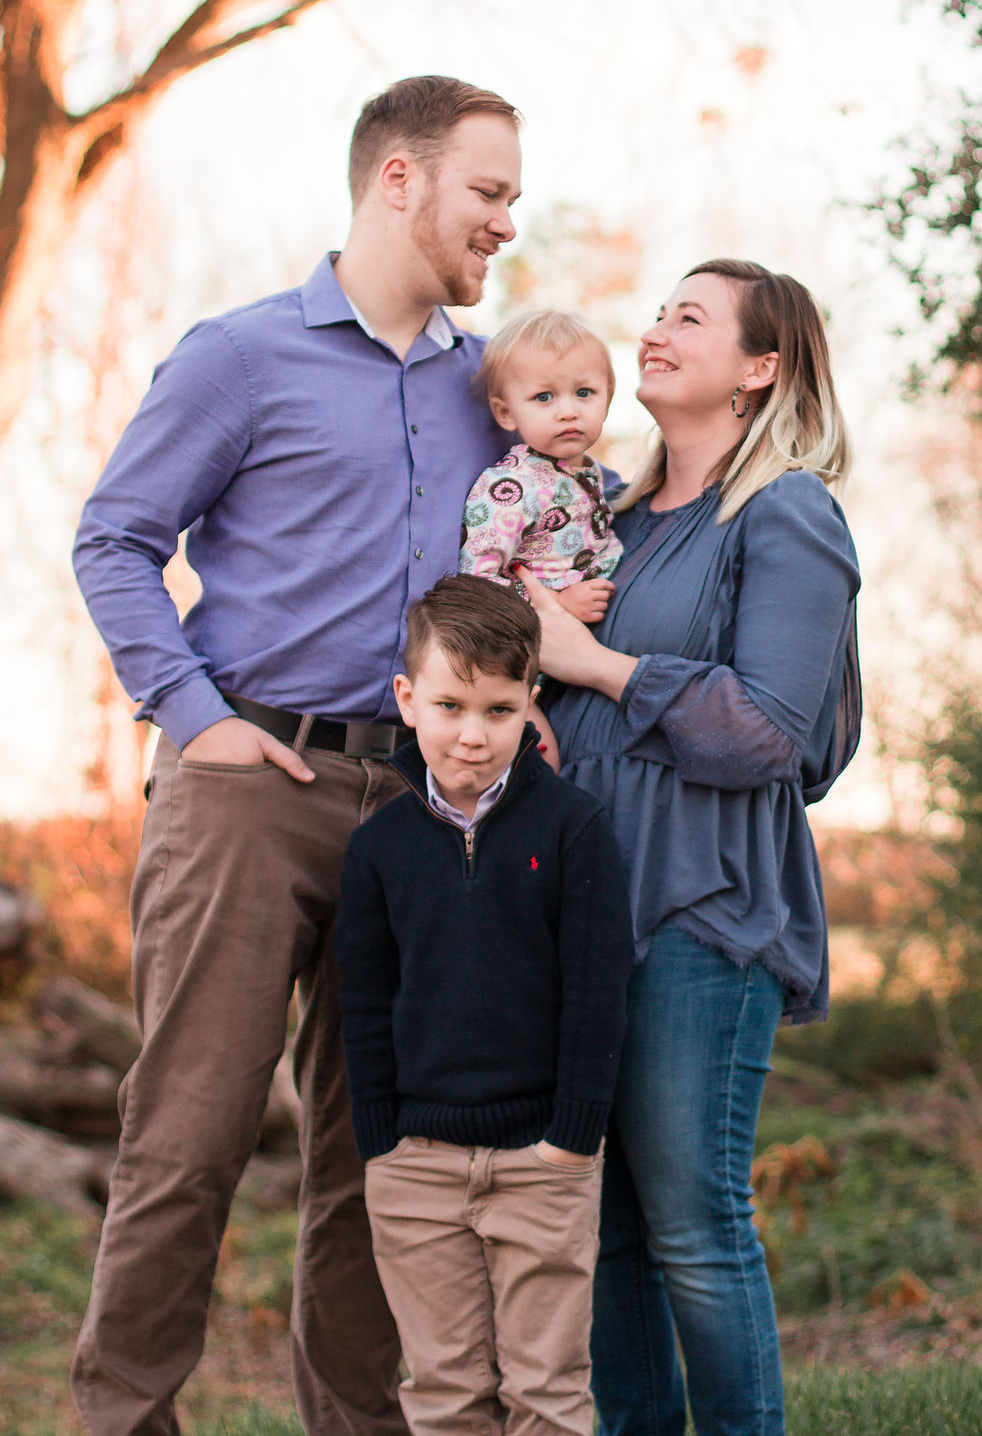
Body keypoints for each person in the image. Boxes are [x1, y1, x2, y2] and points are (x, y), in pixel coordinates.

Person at [70, 75, 523, 1436]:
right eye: (487, 191)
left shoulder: (488, 393)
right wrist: (193, 716)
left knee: (381, 1156)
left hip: (425, 809)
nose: (506, 222)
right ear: (399, 177)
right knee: (189, 1134)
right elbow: (114, 540)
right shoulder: (241, 356)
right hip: (250, 790)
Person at [521, 259, 862, 1436]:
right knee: (602, 1230)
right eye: (659, 311)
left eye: (690, 318)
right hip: (581, 909)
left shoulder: (784, 513)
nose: (655, 330)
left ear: (759, 367)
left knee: (692, 1226)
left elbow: (771, 731)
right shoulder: (604, 522)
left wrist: (595, 665)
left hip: (699, 907)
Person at [336, 573, 633, 1436]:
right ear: (407, 699)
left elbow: (597, 994)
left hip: (543, 1162)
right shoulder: (379, 848)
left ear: (531, 701)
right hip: (416, 1167)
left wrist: (572, 1139)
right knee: (445, 1392)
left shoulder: (574, 829)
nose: (473, 734)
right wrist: (381, 1141)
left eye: (500, 710)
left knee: (546, 1392)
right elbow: (364, 1001)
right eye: (450, 706)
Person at [457, 310, 623, 623]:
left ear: (607, 399)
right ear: (506, 413)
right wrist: (559, 601)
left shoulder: (589, 472)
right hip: (538, 636)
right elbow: (476, 582)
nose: (568, 411)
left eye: (584, 393)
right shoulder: (512, 487)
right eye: (544, 397)